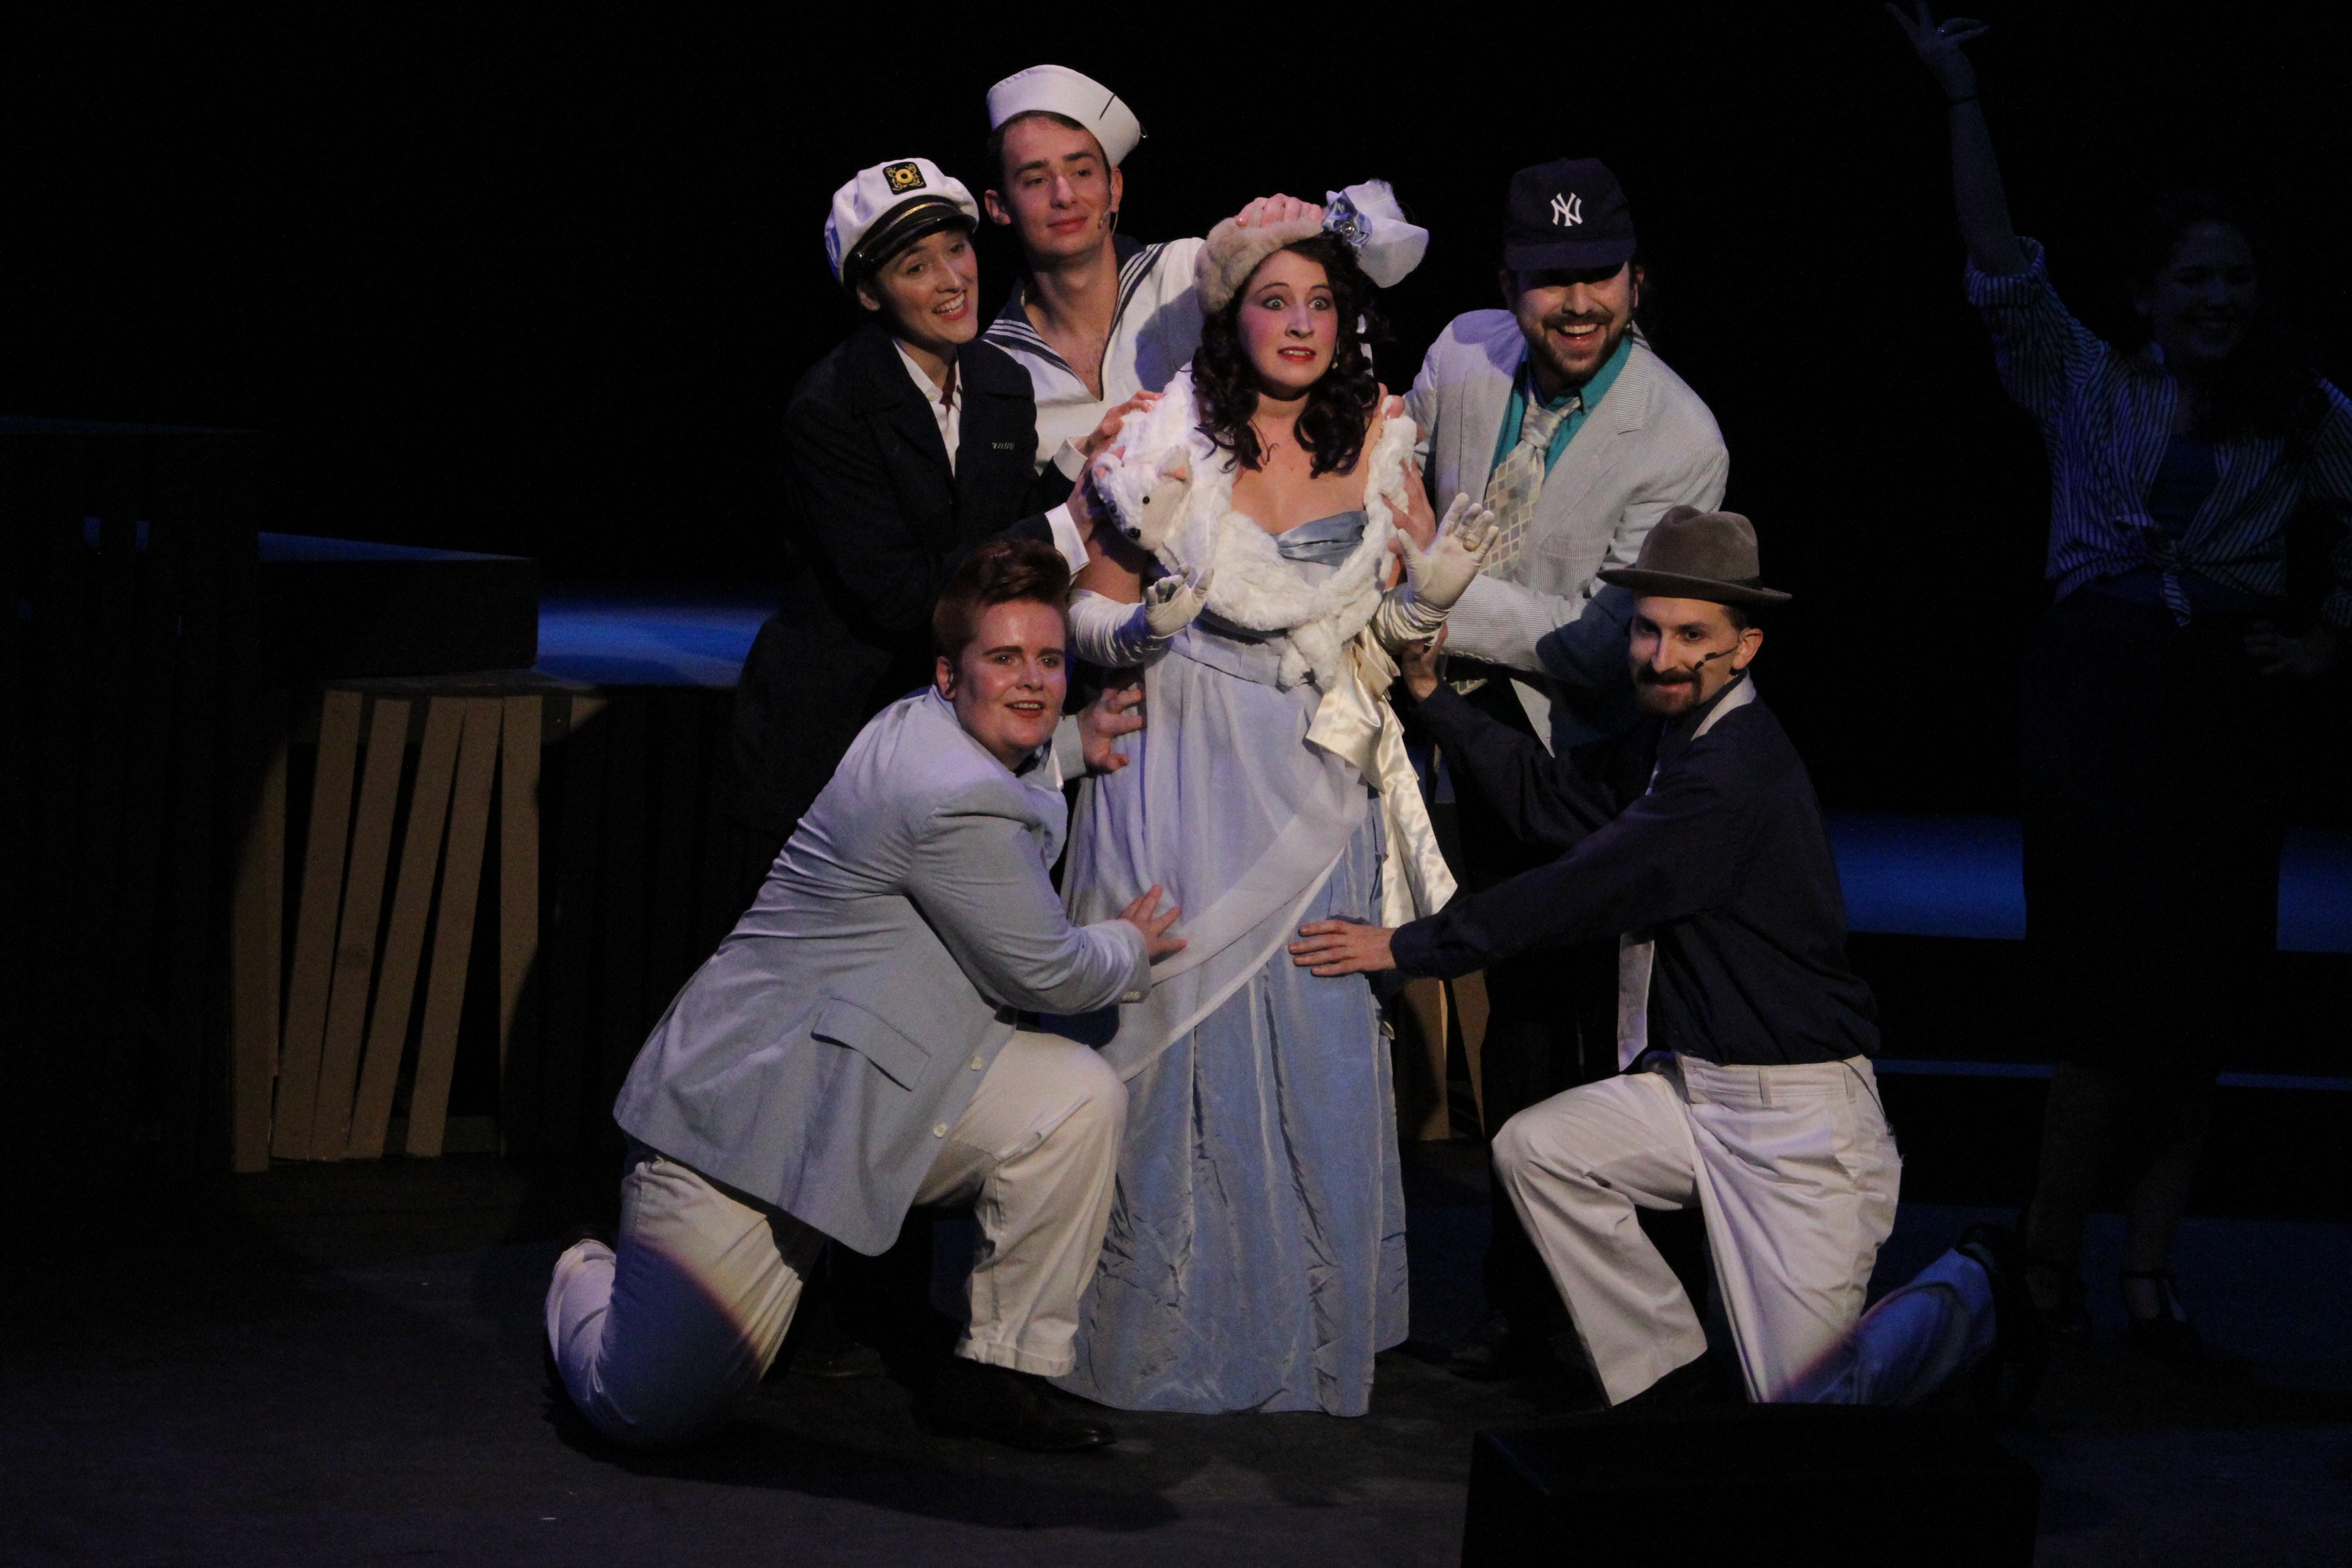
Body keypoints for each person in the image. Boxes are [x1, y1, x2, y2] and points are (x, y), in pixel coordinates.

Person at [1289, 509, 2031, 1408]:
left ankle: (1974, 1291)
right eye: (1648, 631)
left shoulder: (1731, 774)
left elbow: (1576, 890)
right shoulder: (1672, 740)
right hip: (1692, 1093)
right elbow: (1552, 800)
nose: (1663, 657)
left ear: (1745, 648)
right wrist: (1432, 694)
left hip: (1796, 1123)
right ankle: (1671, 1388)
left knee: (1813, 1408)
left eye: (1692, 637)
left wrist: (1408, 946)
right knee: (1540, 1151)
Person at [1891, 5, 2352, 1354]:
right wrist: (1960, 95)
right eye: (2193, 279)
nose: (2217, 300)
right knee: (2103, 1009)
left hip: (2222, 704)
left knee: (2200, 1011)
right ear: (2150, 292)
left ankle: (2150, 1270)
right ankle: (2047, 1257)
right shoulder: (2083, 378)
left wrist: (2328, 633)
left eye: (2236, 279)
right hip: (2098, 700)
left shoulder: (2305, 410)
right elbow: (1998, 259)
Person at [545, 539, 1184, 1453]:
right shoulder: (948, 795)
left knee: (1074, 1100)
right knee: (642, 1409)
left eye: (1050, 660)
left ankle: (995, 1376)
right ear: (949, 674)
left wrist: (1071, 745)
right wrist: (1131, 943)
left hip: (865, 1096)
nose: (1034, 682)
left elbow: (997, 766)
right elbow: (1048, 971)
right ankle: (583, 1264)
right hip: (749, 1125)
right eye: (1005, 659)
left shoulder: (917, 724)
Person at [1049, 200, 1483, 1416]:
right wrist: (1144, 627)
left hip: (1310, 774)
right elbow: (1088, 614)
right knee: (1171, 1029)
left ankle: (1296, 1332)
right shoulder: (1163, 437)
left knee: (1310, 1023)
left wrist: (1432, 597)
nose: (1299, 325)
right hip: (1181, 758)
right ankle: (1149, 1332)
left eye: (1319, 304)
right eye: (1273, 302)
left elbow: (1390, 634)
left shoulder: (1384, 441)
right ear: (1229, 317)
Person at [1403, 157, 1730, 1380]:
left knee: (1581, 1039)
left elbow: (1601, 648)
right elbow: (1388, 470)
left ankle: (1604, 1321)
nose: (1576, 303)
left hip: (1582, 761)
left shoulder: (1679, 436)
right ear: (1508, 283)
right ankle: (1517, 1300)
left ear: (1637, 279)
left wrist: (1426, 594)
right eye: (1550, 280)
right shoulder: (1461, 352)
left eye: (1598, 275)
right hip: (1445, 734)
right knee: (1513, 1033)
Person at [719, 155, 1143, 927]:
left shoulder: (1000, 382)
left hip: (952, 743)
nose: (953, 279)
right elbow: (907, 597)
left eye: (957, 249)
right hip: (833, 748)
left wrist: (1085, 466)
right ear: (869, 293)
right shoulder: (831, 408)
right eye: (917, 266)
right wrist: (1069, 518)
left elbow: (996, 526)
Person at [978, 65, 1350, 478]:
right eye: (1035, 180)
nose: (1064, 195)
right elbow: (1014, 514)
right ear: (999, 206)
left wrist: (1304, 230)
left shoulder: (1189, 275)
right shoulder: (992, 369)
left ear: (1115, 188)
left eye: (1082, 172)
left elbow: (1329, 341)